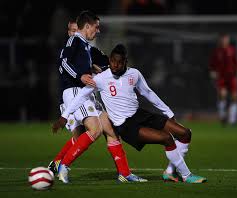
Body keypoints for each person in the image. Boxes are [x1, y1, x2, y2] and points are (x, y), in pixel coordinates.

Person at [53, 44, 207, 184]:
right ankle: (186, 175)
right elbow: (81, 97)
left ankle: (170, 172)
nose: (114, 65)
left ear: (125, 62)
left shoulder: (134, 74)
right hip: (125, 125)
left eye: (119, 62)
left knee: (185, 133)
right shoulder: (100, 79)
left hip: (140, 115)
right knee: (167, 138)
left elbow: (148, 93)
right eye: (112, 61)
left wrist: (168, 111)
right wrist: (64, 116)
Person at [51, 11, 145, 184]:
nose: (98, 31)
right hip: (75, 91)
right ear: (87, 26)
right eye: (96, 26)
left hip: (87, 92)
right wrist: (80, 75)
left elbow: (104, 65)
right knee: (94, 129)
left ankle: (124, 173)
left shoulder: (87, 47)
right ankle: (63, 165)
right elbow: (63, 62)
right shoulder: (74, 40)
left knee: (111, 131)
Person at [209, 34, 237, 125]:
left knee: (234, 97)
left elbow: (236, 61)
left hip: (232, 77)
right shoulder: (217, 51)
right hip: (221, 77)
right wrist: (212, 71)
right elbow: (212, 63)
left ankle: (232, 120)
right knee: (222, 95)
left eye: (226, 39)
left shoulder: (232, 49)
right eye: (223, 39)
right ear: (221, 40)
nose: (225, 41)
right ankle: (222, 116)